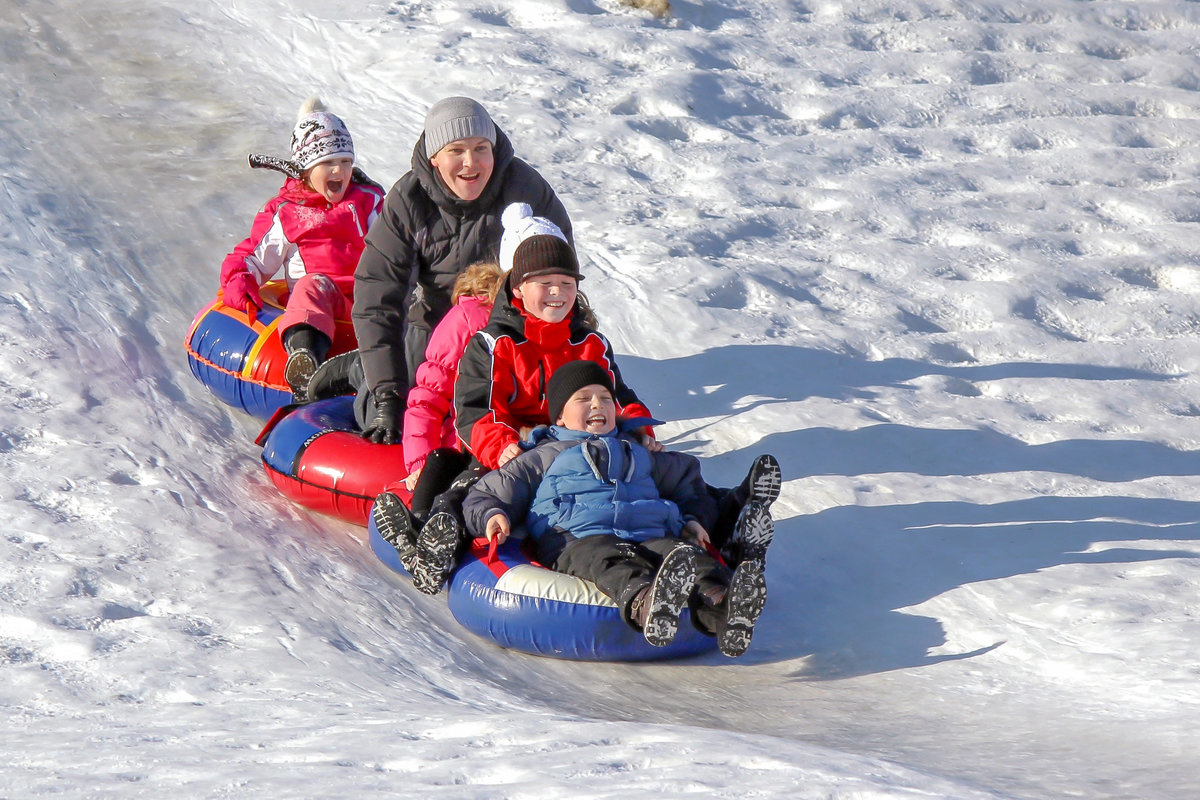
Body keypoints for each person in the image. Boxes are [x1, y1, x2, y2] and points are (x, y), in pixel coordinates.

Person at [371, 204, 652, 594]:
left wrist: (639, 428)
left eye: (567, 283)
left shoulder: (589, 343)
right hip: (510, 450)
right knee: (469, 484)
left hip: (573, 451)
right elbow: (474, 409)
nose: (558, 293)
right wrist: (500, 445)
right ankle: (432, 538)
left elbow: (617, 396)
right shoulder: (493, 344)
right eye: (545, 283)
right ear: (517, 287)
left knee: (656, 476)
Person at [462, 361, 777, 657]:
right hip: (578, 537)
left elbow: (689, 484)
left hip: (650, 532)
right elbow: (488, 492)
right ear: (559, 417)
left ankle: (721, 610)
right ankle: (647, 604)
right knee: (612, 561)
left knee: (686, 556)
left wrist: (696, 519)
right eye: (583, 399)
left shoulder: (637, 450)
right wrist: (493, 514)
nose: (597, 405)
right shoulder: (545, 454)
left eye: (605, 398)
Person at [351, 96, 573, 444]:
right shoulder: (409, 201)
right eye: (456, 150)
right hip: (436, 332)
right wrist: (387, 395)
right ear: (435, 157)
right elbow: (378, 297)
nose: (471, 162)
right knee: (395, 413)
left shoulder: (525, 190)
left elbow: (560, 278)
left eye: (481, 148)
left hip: (513, 332)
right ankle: (355, 370)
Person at [218, 98, 385, 400]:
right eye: (328, 162)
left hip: (369, 303)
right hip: (324, 305)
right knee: (312, 285)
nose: (339, 170)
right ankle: (306, 359)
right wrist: (240, 278)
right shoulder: (288, 212)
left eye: (346, 161)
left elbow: (398, 243)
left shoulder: (367, 201)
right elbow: (255, 255)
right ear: (306, 168)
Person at [398, 260, 505, 519]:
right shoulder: (469, 319)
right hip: (470, 442)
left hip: (489, 443)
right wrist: (421, 463)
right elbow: (430, 396)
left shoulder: (543, 319)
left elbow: (428, 397)